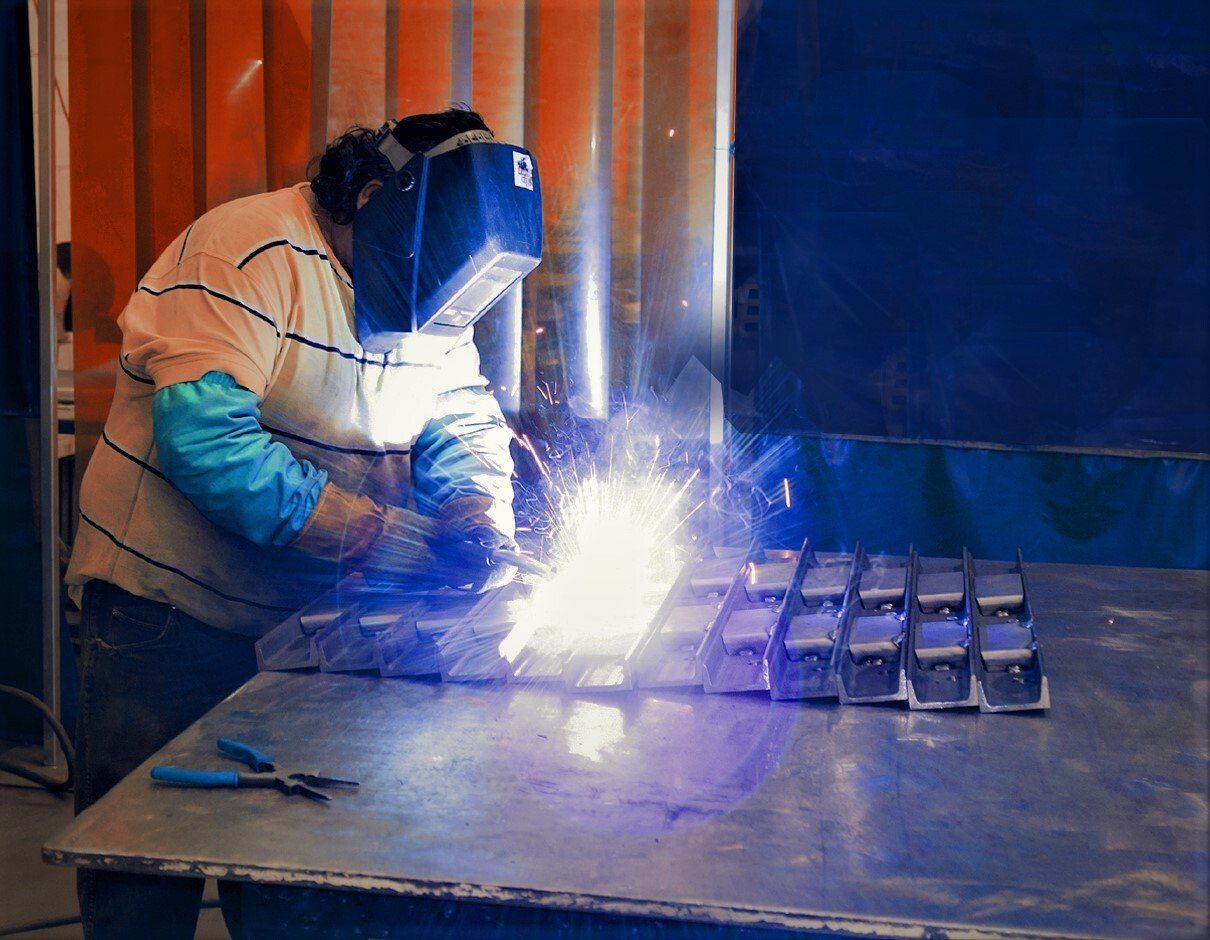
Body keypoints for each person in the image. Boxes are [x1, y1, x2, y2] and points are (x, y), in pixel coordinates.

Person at [65, 108, 530, 938]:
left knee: (287, 855)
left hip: (301, 627)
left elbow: (460, 416)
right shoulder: (247, 251)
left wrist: (471, 506)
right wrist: (379, 536)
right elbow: (208, 445)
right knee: (144, 857)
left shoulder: (429, 291)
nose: (433, 309)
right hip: (166, 609)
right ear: (375, 198)